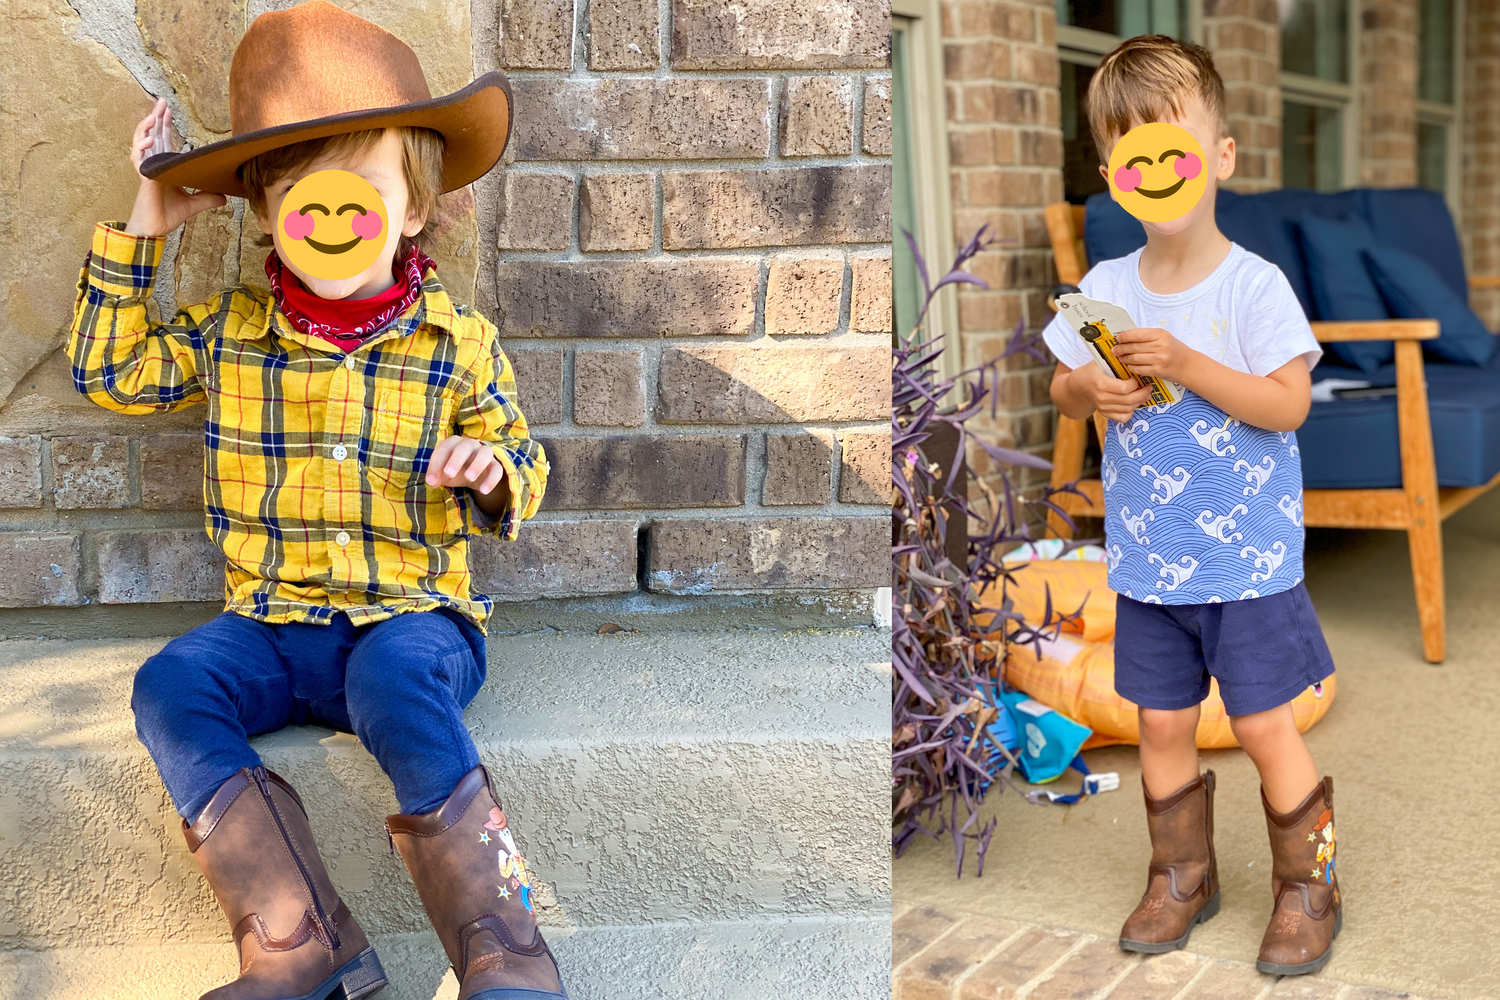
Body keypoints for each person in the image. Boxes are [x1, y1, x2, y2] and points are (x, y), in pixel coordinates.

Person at [68, 3, 564, 997]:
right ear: (264, 215)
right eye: (297, 192)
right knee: (171, 685)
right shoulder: (235, 332)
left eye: (360, 193)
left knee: (396, 685)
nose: (328, 219)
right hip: (271, 622)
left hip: (410, 620)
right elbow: (112, 368)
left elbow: (523, 453)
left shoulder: (454, 341)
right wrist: (146, 223)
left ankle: (507, 945)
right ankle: (298, 942)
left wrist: (491, 468)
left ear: (412, 209)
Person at [1044, 35, 1342, 975]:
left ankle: (1309, 883)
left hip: (1246, 564)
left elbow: (1288, 404)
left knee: (1262, 724)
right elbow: (1059, 388)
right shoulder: (1105, 287)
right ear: (1113, 175)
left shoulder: (1253, 287)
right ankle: (1182, 872)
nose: (1158, 172)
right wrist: (1095, 392)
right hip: (1147, 562)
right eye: (1136, 158)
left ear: (1220, 156)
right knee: (1162, 722)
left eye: (1176, 150)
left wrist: (1187, 366)